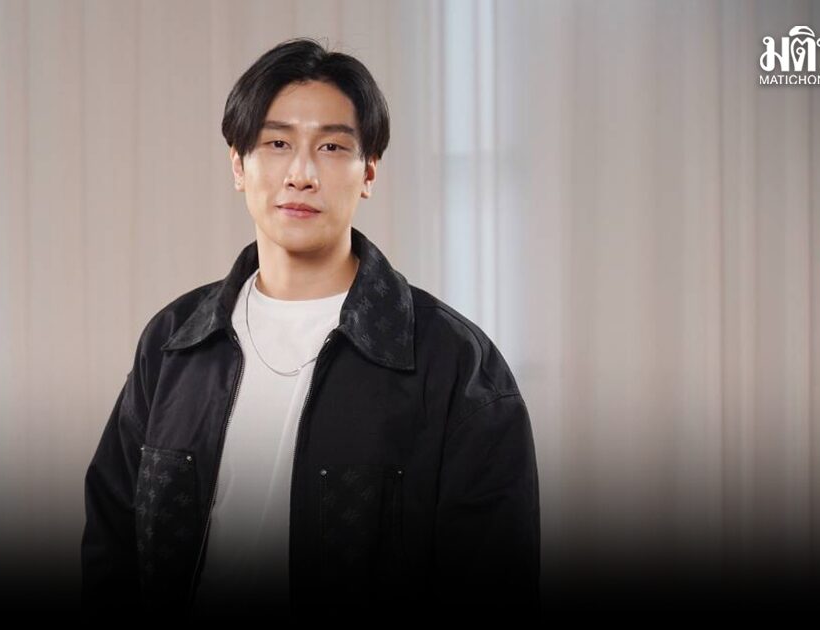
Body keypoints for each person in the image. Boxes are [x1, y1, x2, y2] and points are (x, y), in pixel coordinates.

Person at [81, 37, 539, 623]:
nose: (300, 174)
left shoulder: (454, 362)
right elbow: (112, 546)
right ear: (238, 165)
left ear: (368, 171)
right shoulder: (175, 341)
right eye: (277, 143)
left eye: (331, 147)